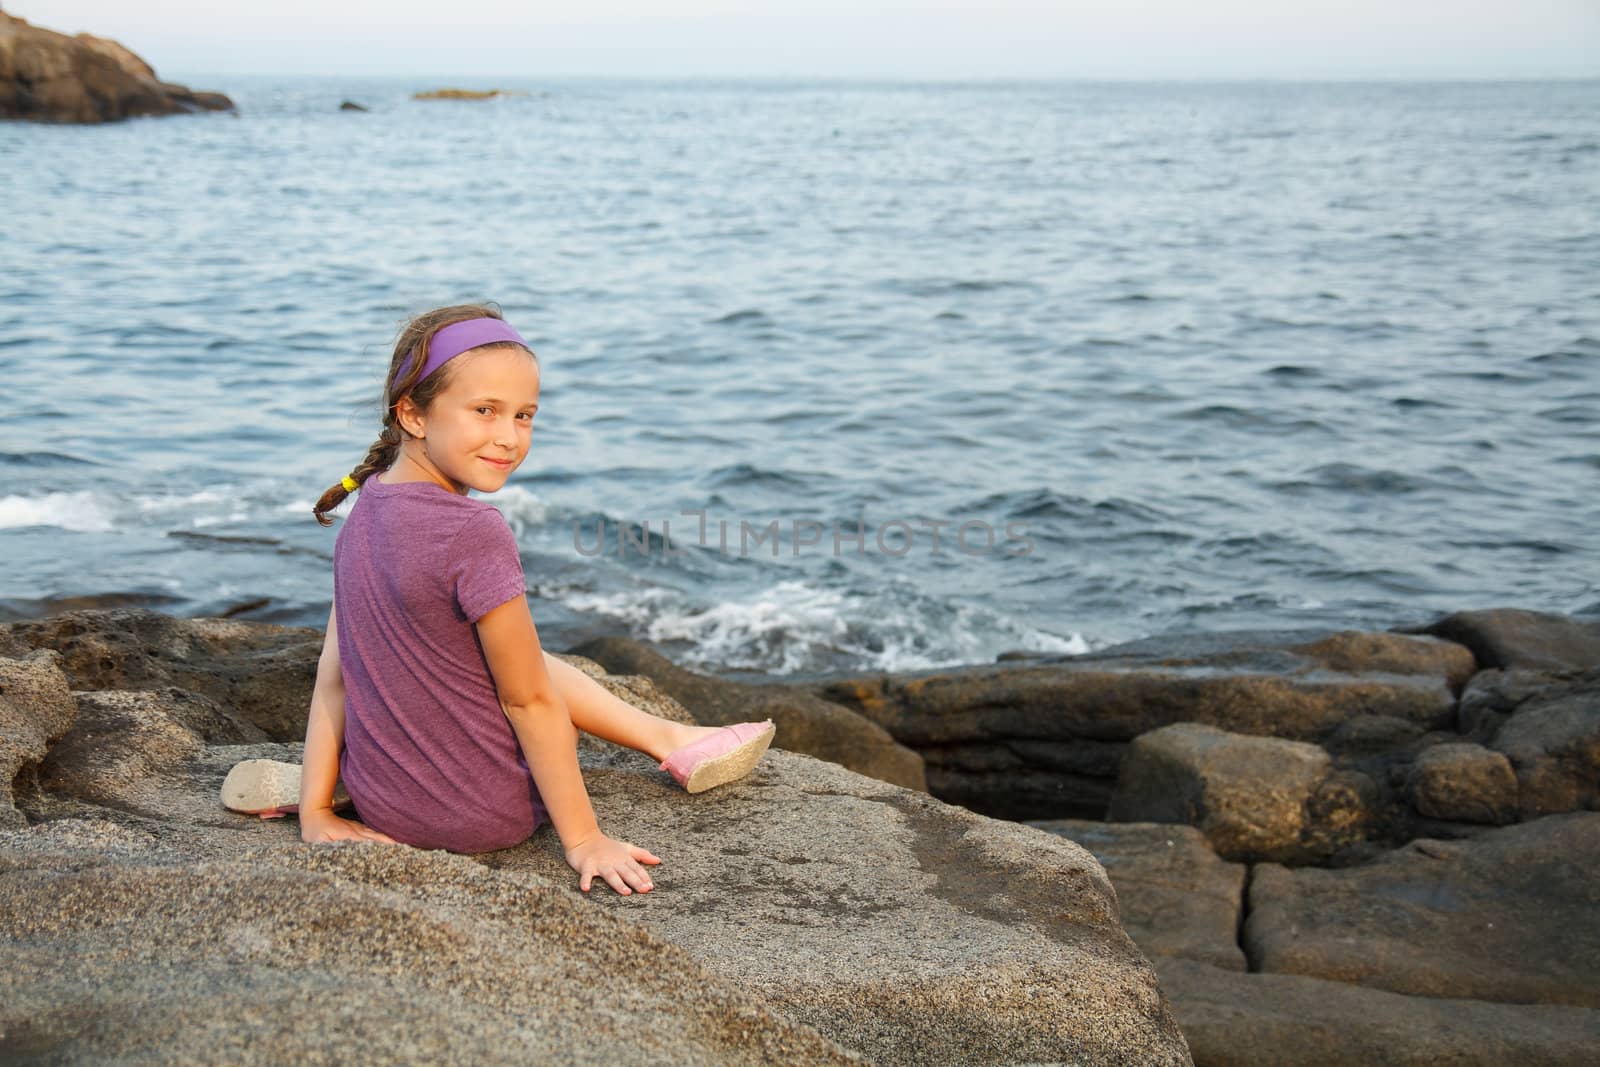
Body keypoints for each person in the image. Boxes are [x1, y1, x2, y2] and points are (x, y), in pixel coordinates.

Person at [220, 303, 775, 896]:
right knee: (525, 664)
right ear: (412, 413)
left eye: (525, 416)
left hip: (389, 813)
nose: (509, 438)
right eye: (485, 411)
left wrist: (316, 817)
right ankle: (669, 739)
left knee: (450, 652)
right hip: (484, 819)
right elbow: (530, 700)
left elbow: (336, 677)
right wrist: (585, 839)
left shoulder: (364, 511)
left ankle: (340, 782)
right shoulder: (474, 532)